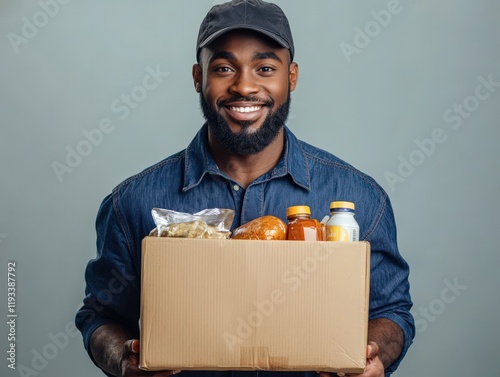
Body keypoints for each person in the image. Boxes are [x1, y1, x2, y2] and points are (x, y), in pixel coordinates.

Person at [75, 1, 415, 376]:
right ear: (197, 78)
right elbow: (101, 315)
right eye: (223, 68)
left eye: (265, 68)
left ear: (292, 77)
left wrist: (373, 353)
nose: (244, 86)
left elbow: (390, 312)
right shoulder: (134, 202)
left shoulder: (360, 198)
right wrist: (123, 360)